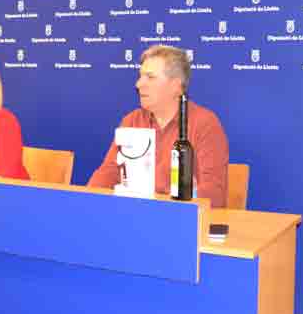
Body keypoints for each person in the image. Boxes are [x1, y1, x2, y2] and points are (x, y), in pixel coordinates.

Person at [88, 45, 229, 207]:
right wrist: (87, 202)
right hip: (134, 213)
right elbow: (109, 172)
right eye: (140, 76)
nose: (138, 84)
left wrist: (183, 198)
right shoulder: (132, 121)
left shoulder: (205, 124)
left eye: (150, 77)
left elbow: (214, 193)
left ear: (176, 86)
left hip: (179, 217)